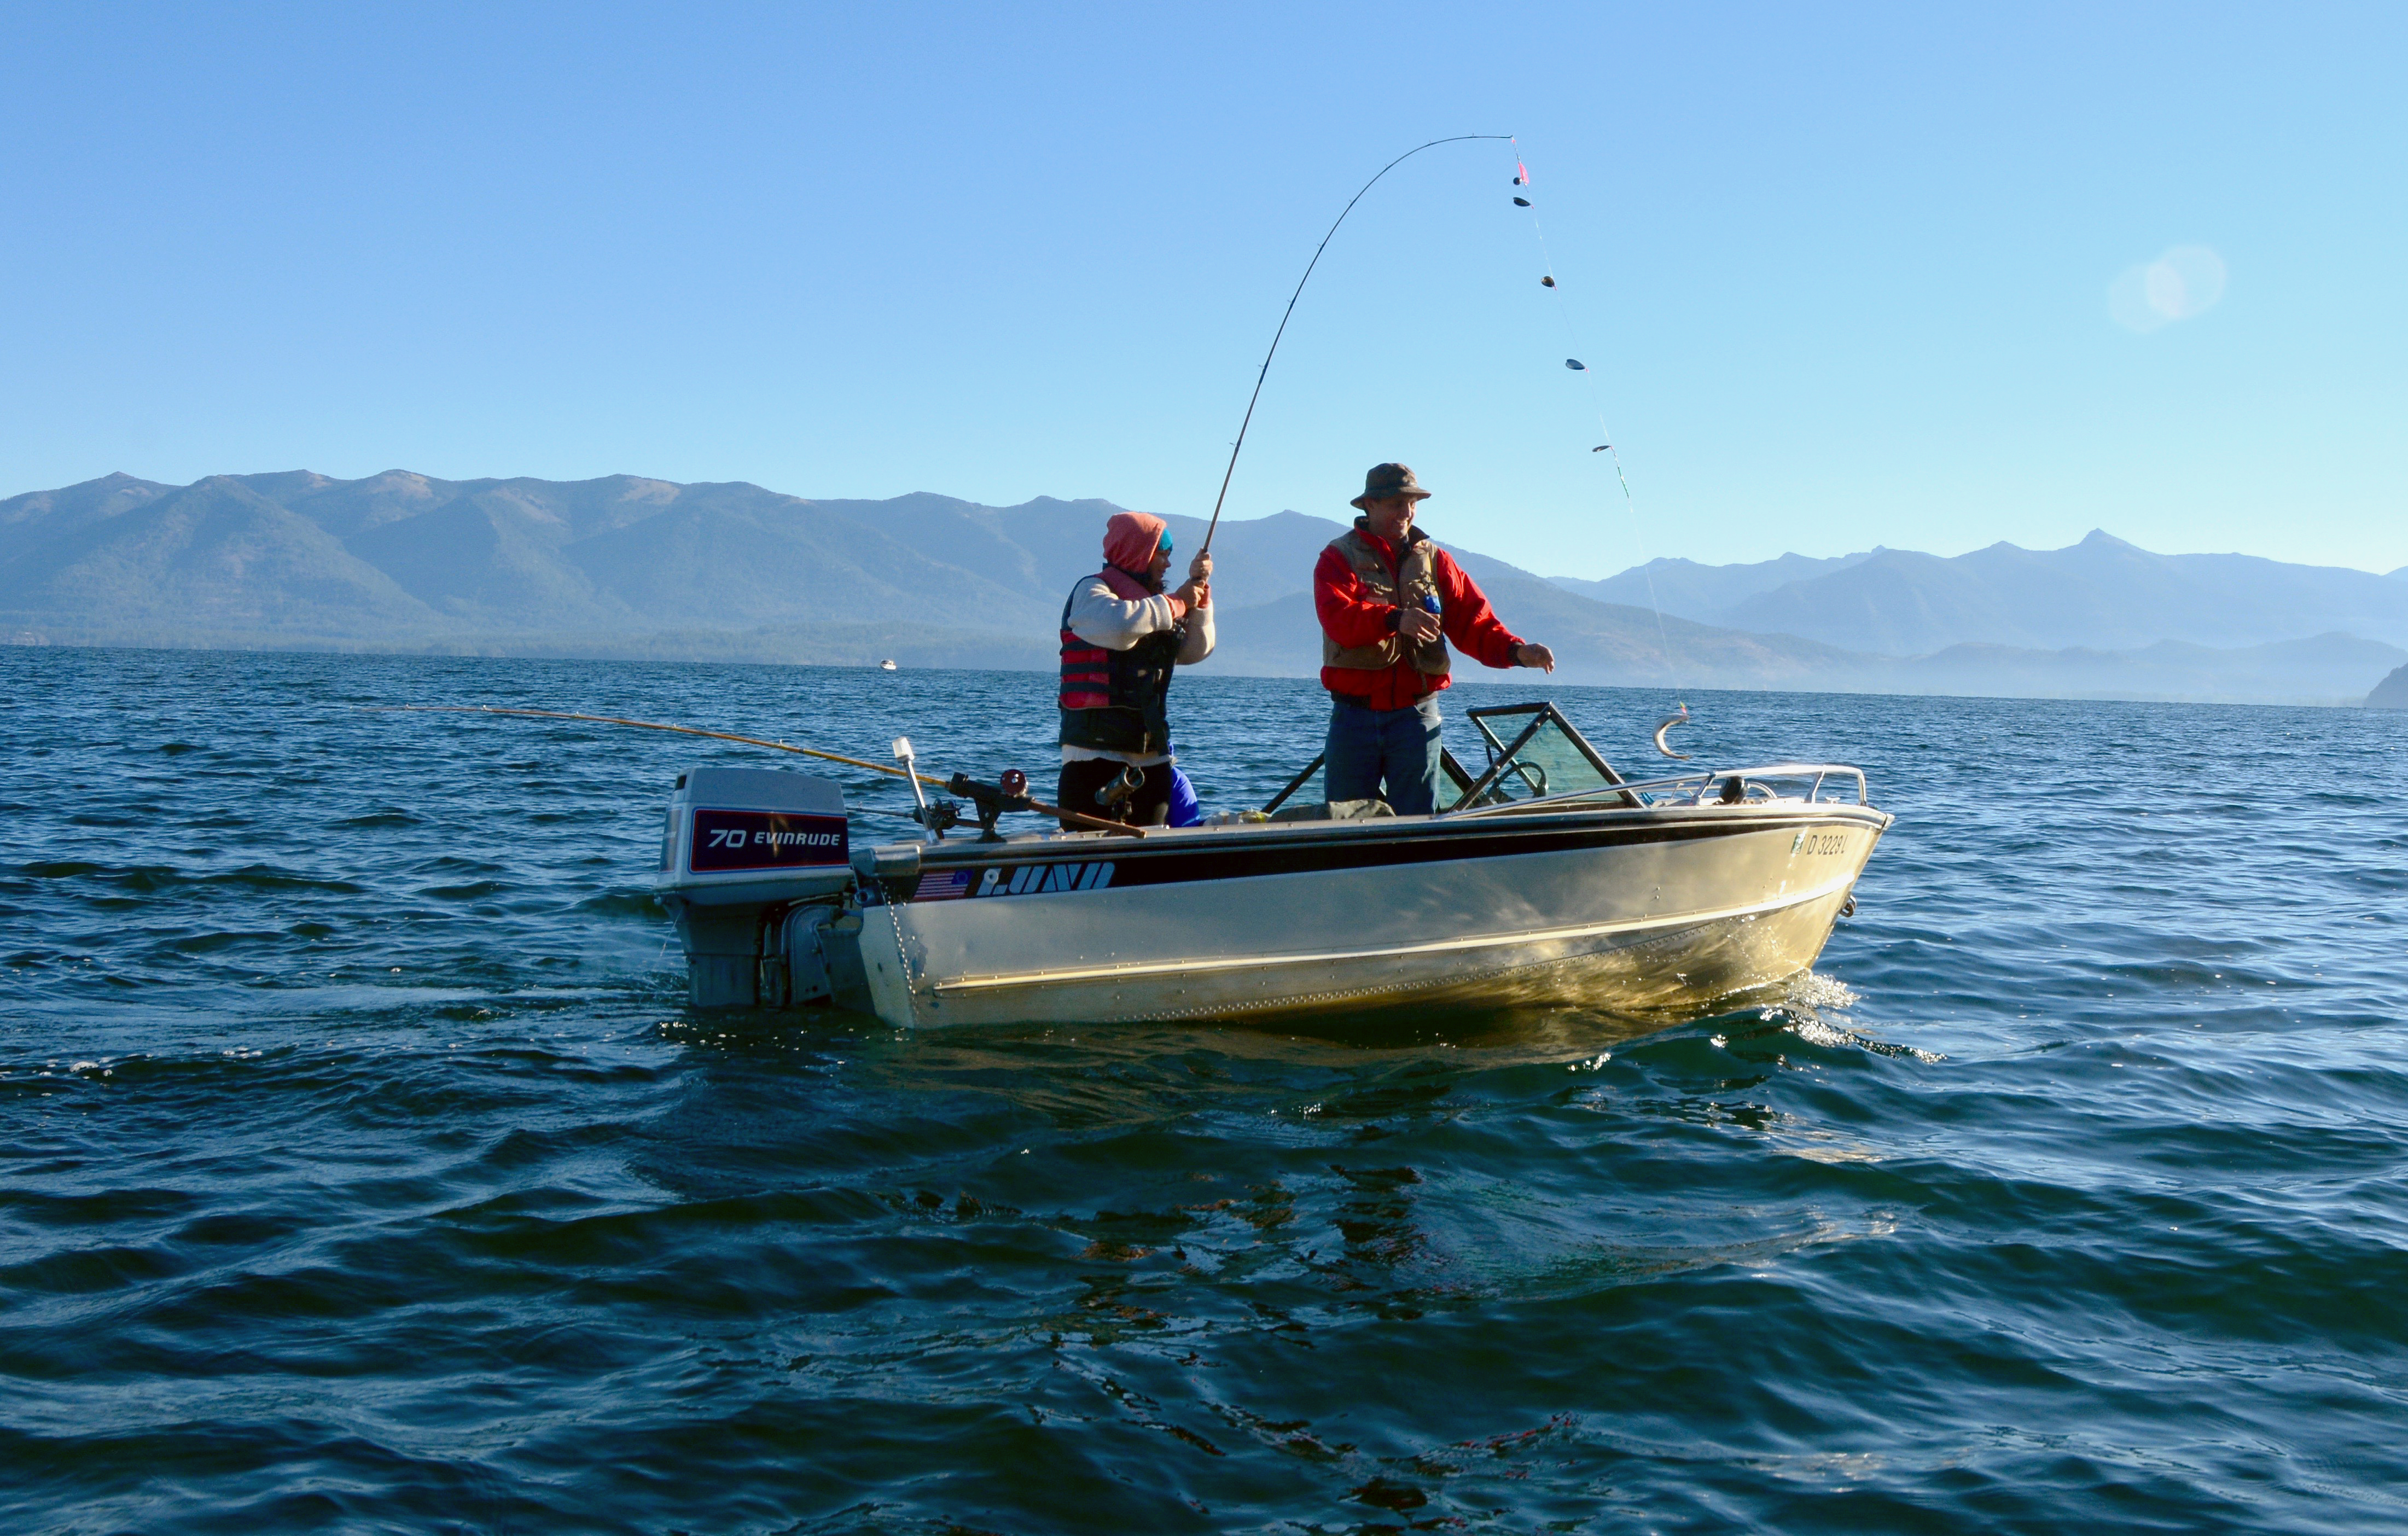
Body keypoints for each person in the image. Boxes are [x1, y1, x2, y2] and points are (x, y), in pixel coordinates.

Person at [1313, 462, 1555, 816]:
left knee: (1416, 825)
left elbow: (1475, 623)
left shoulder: (1436, 560)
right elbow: (1338, 619)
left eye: (1412, 503)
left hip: (1416, 716)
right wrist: (1395, 619)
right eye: (1397, 503)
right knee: (1344, 824)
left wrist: (1517, 652)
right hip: (1355, 717)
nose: (1407, 511)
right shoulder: (1337, 557)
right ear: (1370, 506)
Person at [1057, 511, 1214, 826]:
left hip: (1150, 764)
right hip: (1091, 761)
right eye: (1162, 553)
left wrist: (1200, 600)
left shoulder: (1157, 606)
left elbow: (1196, 650)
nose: (1168, 563)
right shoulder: (1092, 592)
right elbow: (1119, 626)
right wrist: (1178, 603)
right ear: (1138, 553)